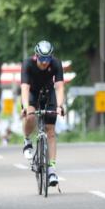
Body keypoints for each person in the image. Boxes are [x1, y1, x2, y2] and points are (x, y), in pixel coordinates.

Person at [20, 40, 66, 186]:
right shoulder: (28, 64)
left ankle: (51, 169)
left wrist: (59, 106)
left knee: (50, 131)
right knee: (30, 116)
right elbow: (25, 88)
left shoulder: (56, 64)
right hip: (32, 92)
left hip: (48, 92)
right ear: (36, 56)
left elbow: (59, 87)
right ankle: (27, 140)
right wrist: (26, 107)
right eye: (42, 58)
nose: (45, 62)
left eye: (48, 59)